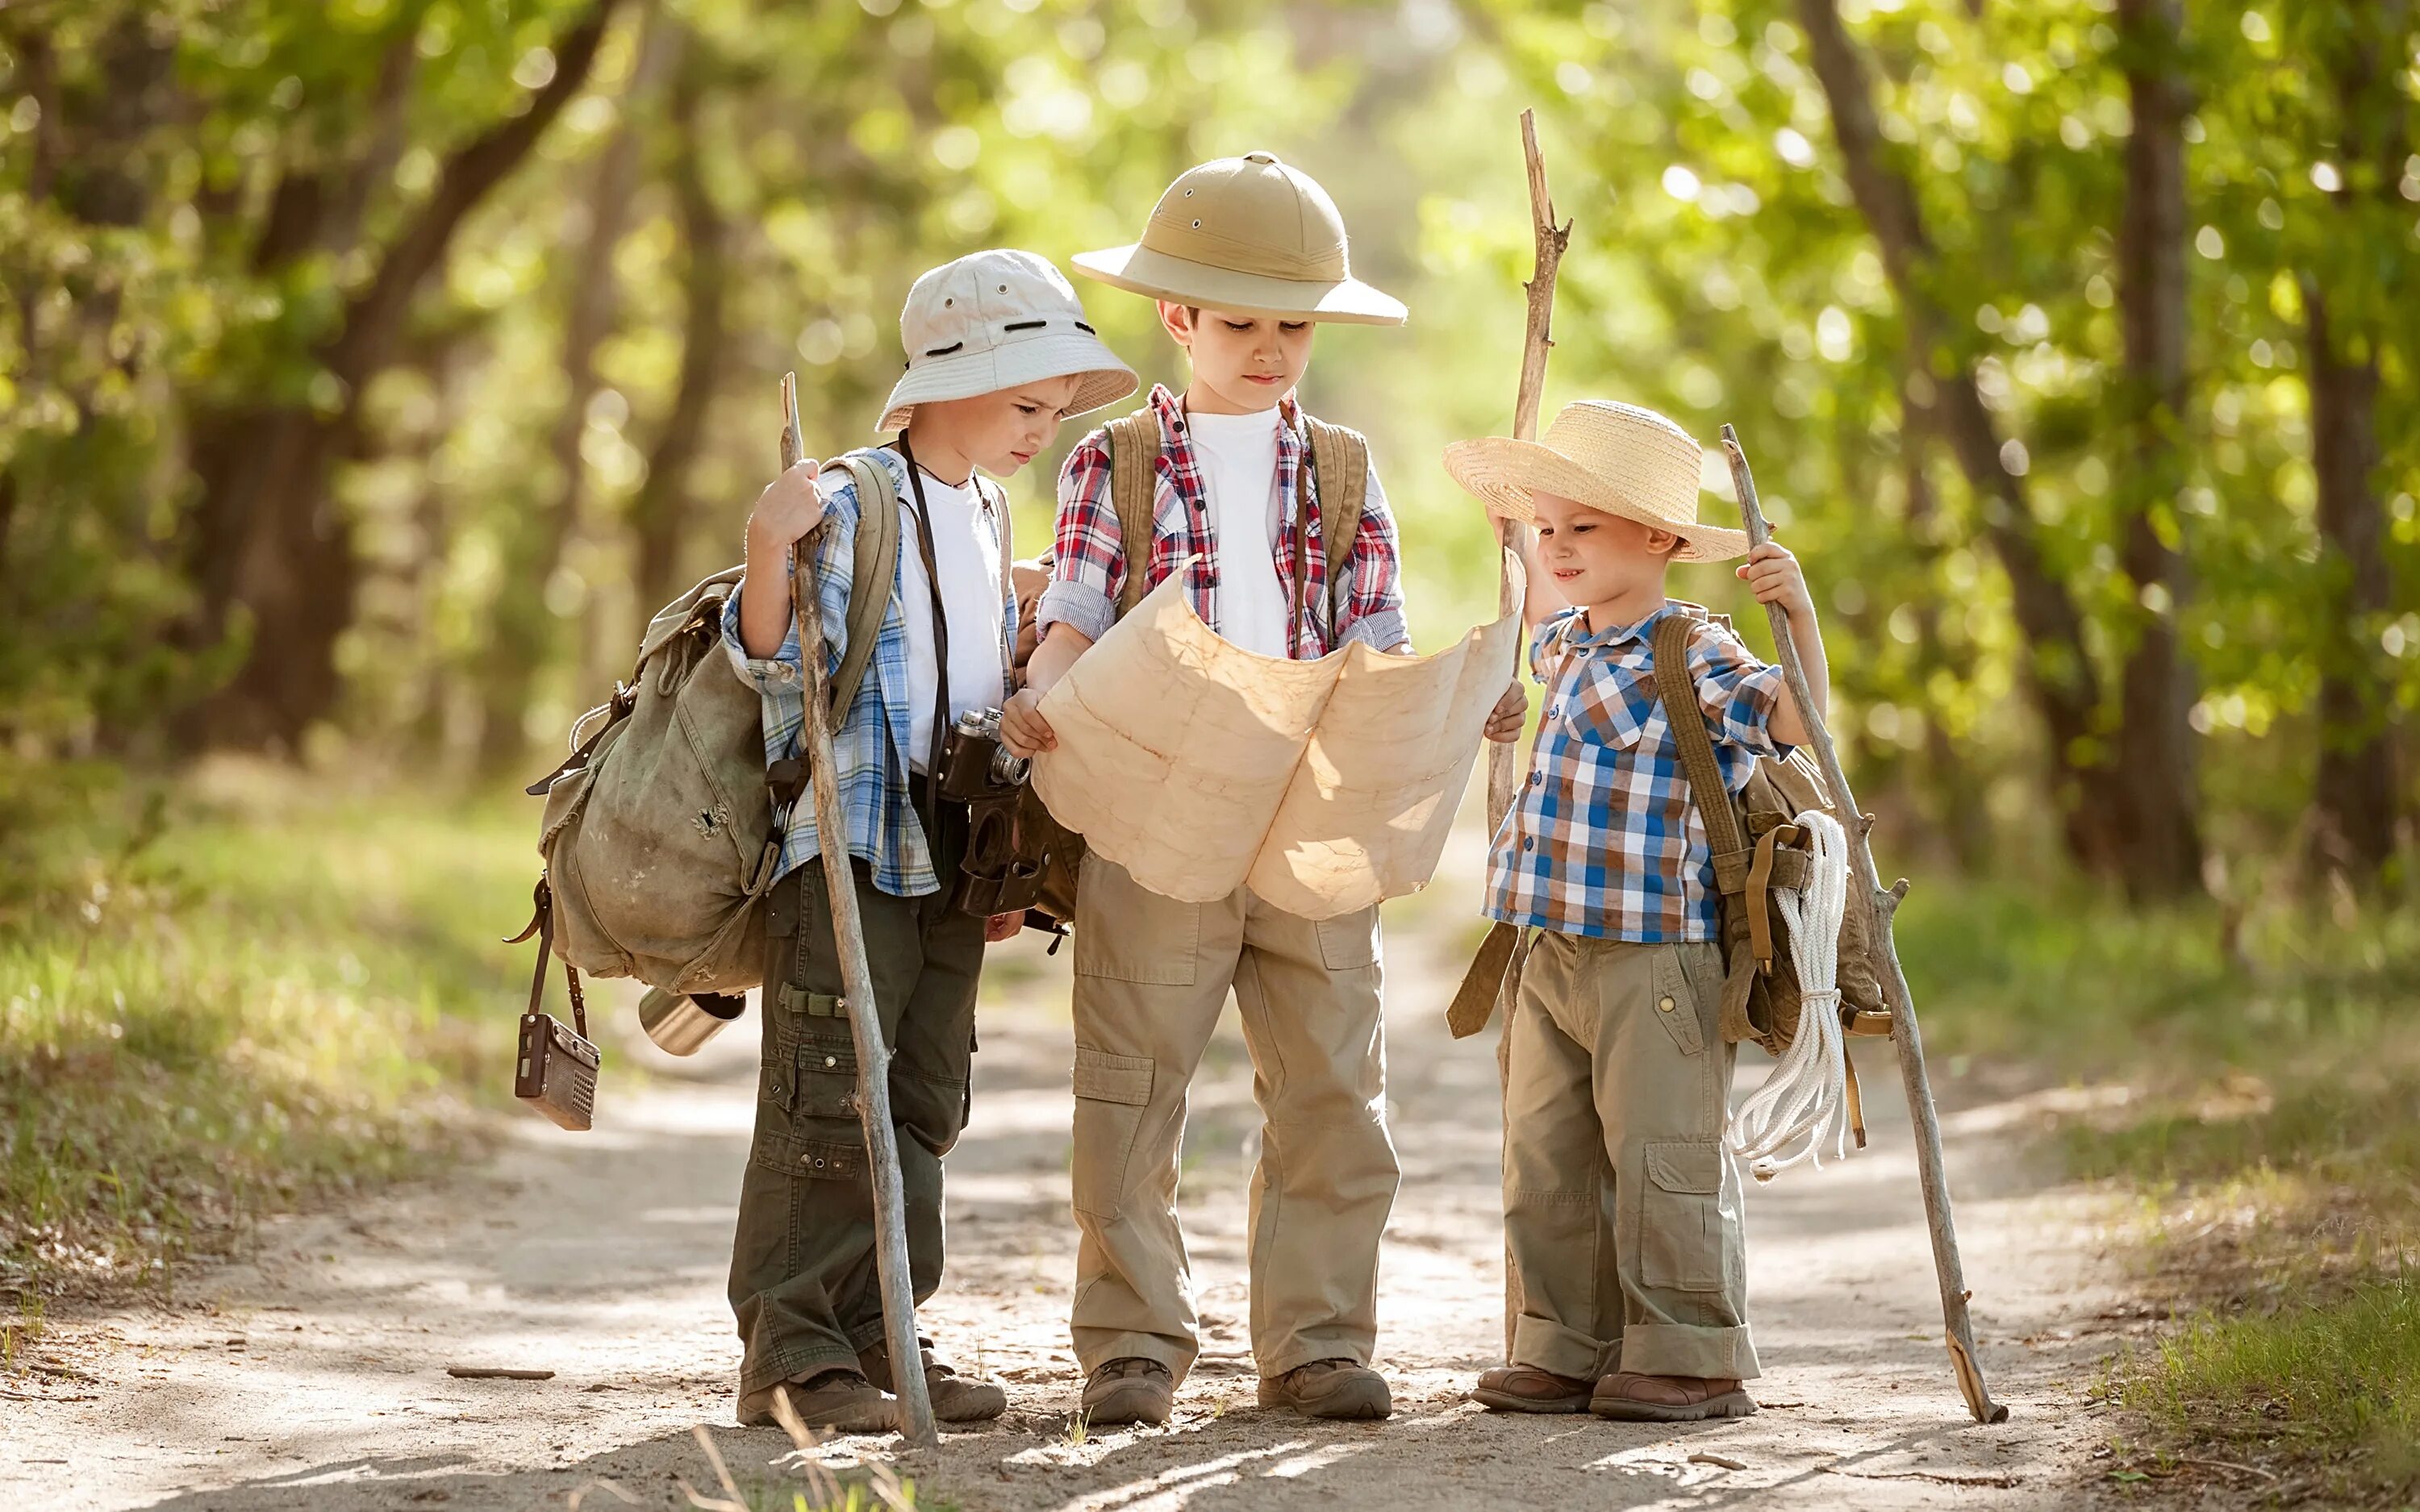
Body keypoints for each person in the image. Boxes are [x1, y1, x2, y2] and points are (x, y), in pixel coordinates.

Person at [999, 152, 1525, 1427]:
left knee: (1336, 1081)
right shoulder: (1111, 464)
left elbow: (1377, 638)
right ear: (1178, 318)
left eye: (1295, 325)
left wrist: (1453, 707)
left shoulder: (1343, 469)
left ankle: (1318, 1337)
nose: (1272, 349)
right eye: (1241, 324)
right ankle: (1131, 1337)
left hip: (1312, 807)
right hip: (1159, 798)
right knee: (1134, 1075)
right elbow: (1072, 608)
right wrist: (1038, 702)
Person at [723, 248, 1135, 1431]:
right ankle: (792, 1352)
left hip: (951, 845)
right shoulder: (851, 495)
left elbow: (972, 675)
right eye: (1024, 401)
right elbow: (767, 660)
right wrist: (766, 550)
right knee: (826, 1089)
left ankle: (884, 1326)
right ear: (945, 383)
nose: (1040, 427)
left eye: (1053, 409)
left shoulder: (993, 507)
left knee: (921, 1093)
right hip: (850, 845)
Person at [1440, 398, 1830, 1422]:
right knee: (1546, 1154)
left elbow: (1796, 722)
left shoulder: (1692, 647)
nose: (1558, 548)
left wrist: (1800, 623)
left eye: (1585, 529)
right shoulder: (1565, 642)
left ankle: (1691, 1350)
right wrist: (1512, 563)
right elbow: (1528, 617)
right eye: (1549, 528)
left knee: (1662, 1155)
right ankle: (1564, 1343)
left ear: (1658, 540)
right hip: (1549, 946)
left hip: (1657, 958)